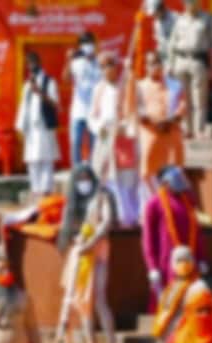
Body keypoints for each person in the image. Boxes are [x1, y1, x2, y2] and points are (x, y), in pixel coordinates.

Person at [54, 165, 120, 343]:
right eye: (79, 178)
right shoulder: (73, 200)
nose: (83, 182)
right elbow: (68, 227)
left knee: (99, 298)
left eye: (86, 177)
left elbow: (107, 221)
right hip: (80, 253)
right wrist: (77, 242)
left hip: (98, 251)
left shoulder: (102, 196)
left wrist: (91, 241)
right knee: (81, 298)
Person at [89, 52, 141, 227]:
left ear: (116, 66)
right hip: (105, 136)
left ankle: (129, 217)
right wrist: (101, 129)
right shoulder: (99, 89)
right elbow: (92, 117)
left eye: (109, 65)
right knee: (103, 175)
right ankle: (106, 214)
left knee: (126, 178)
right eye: (102, 66)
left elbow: (134, 110)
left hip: (124, 136)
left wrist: (125, 127)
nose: (106, 69)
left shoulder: (127, 86)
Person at [142, 166, 207, 293]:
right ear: (165, 183)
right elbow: (148, 239)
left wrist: (201, 258)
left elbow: (197, 231)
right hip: (166, 264)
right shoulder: (154, 203)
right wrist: (152, 267)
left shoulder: (188, 200)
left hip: (190, 260)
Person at [137, 52, 187, 193]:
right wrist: (156, 123)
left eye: (157, 62)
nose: (155, 66)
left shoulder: (175, 85)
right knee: (147, 171)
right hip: (150, 133)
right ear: (146, 66)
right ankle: (155, 200)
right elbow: (137, 110)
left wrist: (170, 121)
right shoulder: (139, 86)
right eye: (151, 63)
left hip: (171, 131)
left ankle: (170, 199)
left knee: (174, 169)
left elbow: (183, 106)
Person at [169, 0, 212, 139]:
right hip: (181, 60)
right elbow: (172, 43)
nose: (189, 4)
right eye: (187, 2)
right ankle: (187, 128)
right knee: (183, 98)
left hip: (198, 60)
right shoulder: (179, 20)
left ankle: (199, 129)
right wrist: (170, 64)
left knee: (199, 97)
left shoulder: (207, 19)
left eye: (192, 2)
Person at [16, 52, 61, 199]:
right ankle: (35, 190)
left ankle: (46, 190)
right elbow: (23, 106)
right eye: (28, 63)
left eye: (33, 62)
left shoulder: (50, 81)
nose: (31, 66)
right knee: (32, 160)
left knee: (46, 158)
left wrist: (40, 92)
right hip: (31, 128)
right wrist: (20, 126)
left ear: (39, 62)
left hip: (44, 125)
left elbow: (55, 104)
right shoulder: (26, 85)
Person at [63, 31, 101, 165]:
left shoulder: (100, 62)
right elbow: (65, 78)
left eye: (89, 42)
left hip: (95, 111)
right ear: (80, 46)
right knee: (76, 141)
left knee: (94, 144)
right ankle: (77, 170)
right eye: (84, 43)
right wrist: (69, 60)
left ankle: (93, 170)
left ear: (94, 44)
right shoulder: (76, 62)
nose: (87, 46)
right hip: (78, 110)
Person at [147, 0, 179, 66]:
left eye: (155, 12)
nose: (154, 16)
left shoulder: (176, 18)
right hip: (166, 63)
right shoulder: (156, 23)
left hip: (178, 62)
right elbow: (161, 44)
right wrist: (157, 56)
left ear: (161, 7)